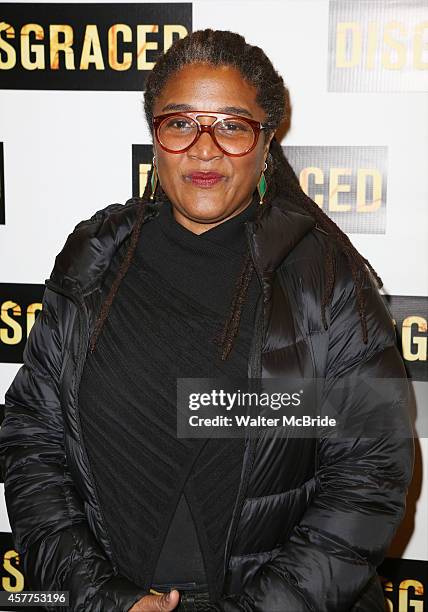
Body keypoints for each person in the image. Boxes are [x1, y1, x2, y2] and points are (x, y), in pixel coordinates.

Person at [0, 29, 414, 612]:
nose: (204, 148)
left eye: (231, 125)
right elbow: (32, 440)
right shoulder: (94, 259)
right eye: (181, 122)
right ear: (156, 136)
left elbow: (368, 479)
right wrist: (101, 598)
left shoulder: (327, 279)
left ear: (267, 141)